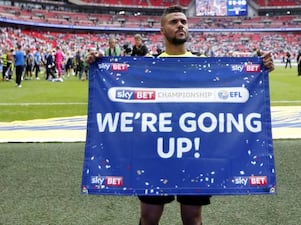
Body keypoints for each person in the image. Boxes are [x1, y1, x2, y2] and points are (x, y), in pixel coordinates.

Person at [86, 6, 274, 225]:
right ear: (162, 29)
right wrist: (98, 63)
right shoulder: (149, 64)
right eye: (174, 22)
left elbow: (232, 86)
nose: (180, 25)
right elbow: (120, 82)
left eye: (183, 21)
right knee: (149, 217)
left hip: (194, 150)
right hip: (154, 150)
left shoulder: (203, 62)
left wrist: (261, 67)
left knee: (192, 218)